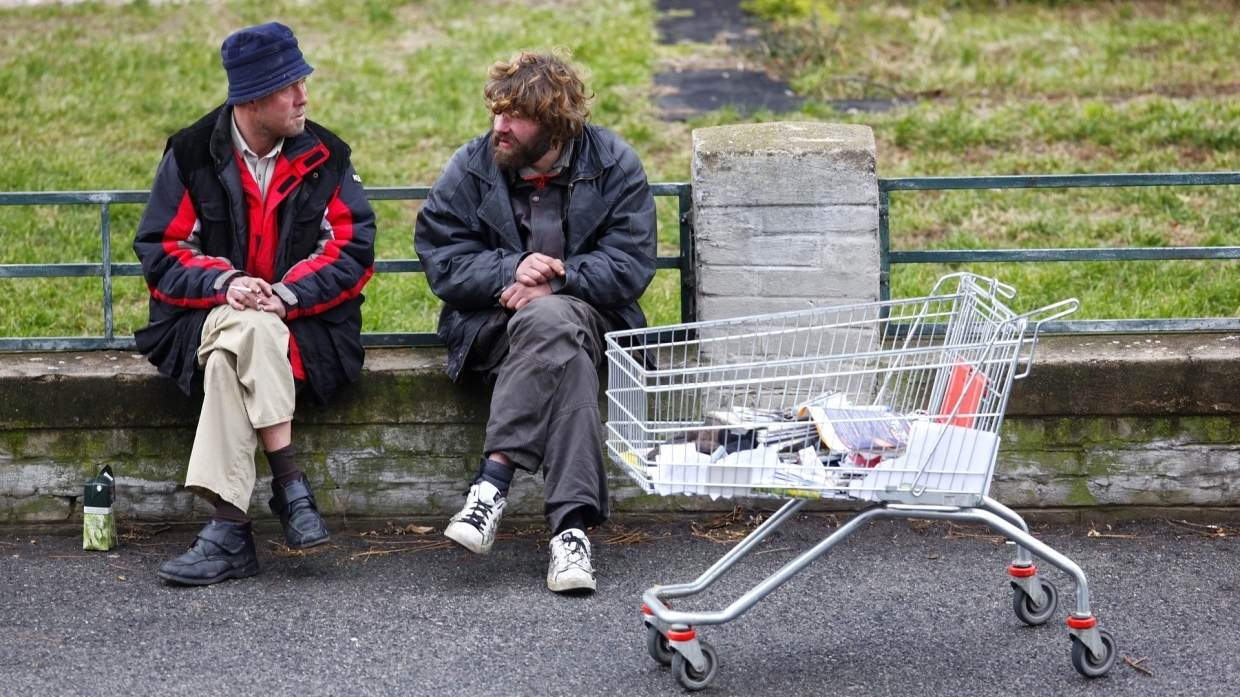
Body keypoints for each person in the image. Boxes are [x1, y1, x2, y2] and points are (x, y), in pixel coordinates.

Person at [133, 22, 376, 586]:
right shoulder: (191, 153)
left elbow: (352, 249)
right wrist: (227, 284)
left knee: (233, 355)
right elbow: (163, 249)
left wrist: (284, 295)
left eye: (302, 83)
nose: (304, 97)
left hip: (308, 329)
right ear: (252, 99)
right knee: (245, 326)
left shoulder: (327, 155)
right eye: (290, 87)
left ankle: (230, 530)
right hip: (203, 317)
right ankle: (289, 484)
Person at [415, 51, 657, 593]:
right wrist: (510, 268)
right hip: (494, 328)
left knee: (553, 319)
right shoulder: (473, 165)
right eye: (496, 112)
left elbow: (631, 264)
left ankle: (492, 484)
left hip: (593, 319)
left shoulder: (613, 162)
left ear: (554, 124)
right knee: (565, 358)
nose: (498, 126)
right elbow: (442, 258)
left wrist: (559, 279)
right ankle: (571, 534)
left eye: (515, 116)